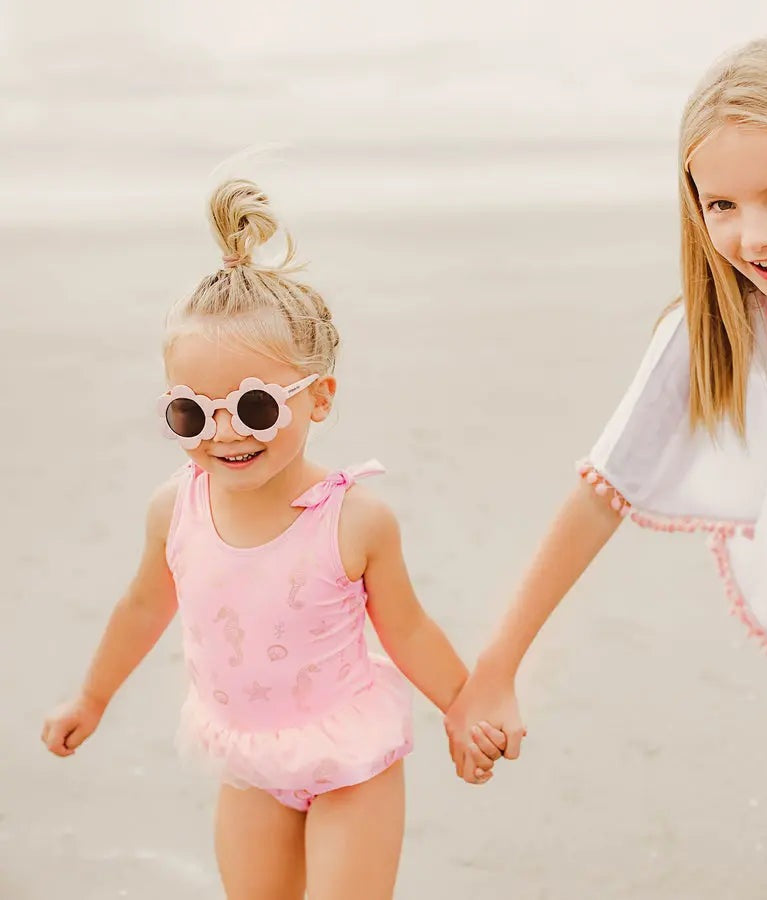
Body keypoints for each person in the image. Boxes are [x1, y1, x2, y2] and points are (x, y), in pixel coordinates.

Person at [446, 34, 767, 900]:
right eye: (720, 204)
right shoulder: (719, 320)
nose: (753, 233)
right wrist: (499, 663)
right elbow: (601, 489)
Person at [41, 179, 502, 900]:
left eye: (254, 408)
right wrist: (91, 700)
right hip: (249, 756)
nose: (223, 433)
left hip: (351, 759)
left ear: (318, 396)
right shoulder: (176, 509)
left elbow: (407, 628)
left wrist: (464, 707)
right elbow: (141, 606)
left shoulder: (352, 520)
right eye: (192, 414)